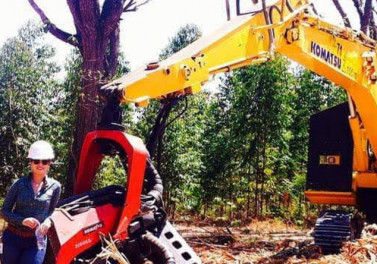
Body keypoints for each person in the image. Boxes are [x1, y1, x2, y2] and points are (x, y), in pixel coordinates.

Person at [1, 140, 61, 264]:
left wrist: (48, 221)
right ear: (30, 163)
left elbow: (52, 212)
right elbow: (4, 211)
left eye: (44, 161)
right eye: (36, 161)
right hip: (13, 239)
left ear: (49, 163)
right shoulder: (18, 185)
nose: (40, 164)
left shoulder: (55, 187)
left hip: (35, 242)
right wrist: (22, 220)